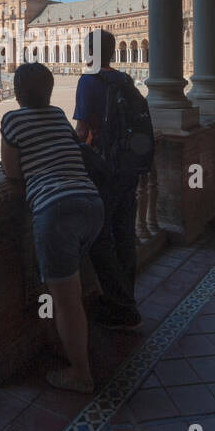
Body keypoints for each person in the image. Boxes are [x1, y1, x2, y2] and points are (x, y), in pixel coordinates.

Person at [1, 63, 104, 392]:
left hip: (55, 211)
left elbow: (12, 172)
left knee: (66, 301)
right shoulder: (59, 114)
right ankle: (74, 344)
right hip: (91, 204)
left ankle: (81, 373)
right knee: (75, 287)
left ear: (17, 92)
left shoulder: (12, 120)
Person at [74, 29, 143, 331]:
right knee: (125, 234)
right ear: (113, 53)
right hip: (129, 168)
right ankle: (127, 294)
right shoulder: (124, 80)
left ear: (89, 52)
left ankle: (119, 304)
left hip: (103, 170)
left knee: (99, 239)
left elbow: (81, 130)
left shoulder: (89, 81)